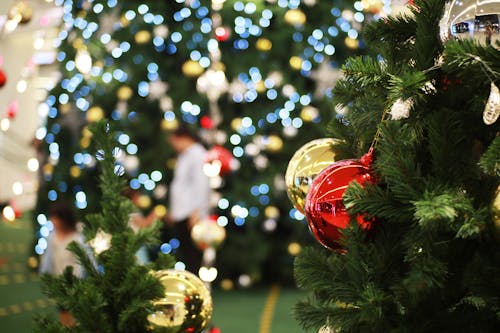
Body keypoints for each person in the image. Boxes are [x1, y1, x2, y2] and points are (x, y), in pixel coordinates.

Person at [164, 126, 210, 273]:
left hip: (191, 213)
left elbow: (201, 184)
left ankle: (197, 289)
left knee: (193, 256)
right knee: (186, 253)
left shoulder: (197, 154)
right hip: (182, 213)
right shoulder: (184, 156)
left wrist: (197, 212)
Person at [39, 202, 86, 327]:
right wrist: (45, 274)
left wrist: (75, 283)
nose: (53, 221)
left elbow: (79, 263)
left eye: (56, 218)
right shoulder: (53, 237)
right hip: (59, 282)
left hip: (74, 284)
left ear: (64, 219)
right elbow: (48, 258)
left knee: (75, 316)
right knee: (63, 313)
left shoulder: (76, 238)